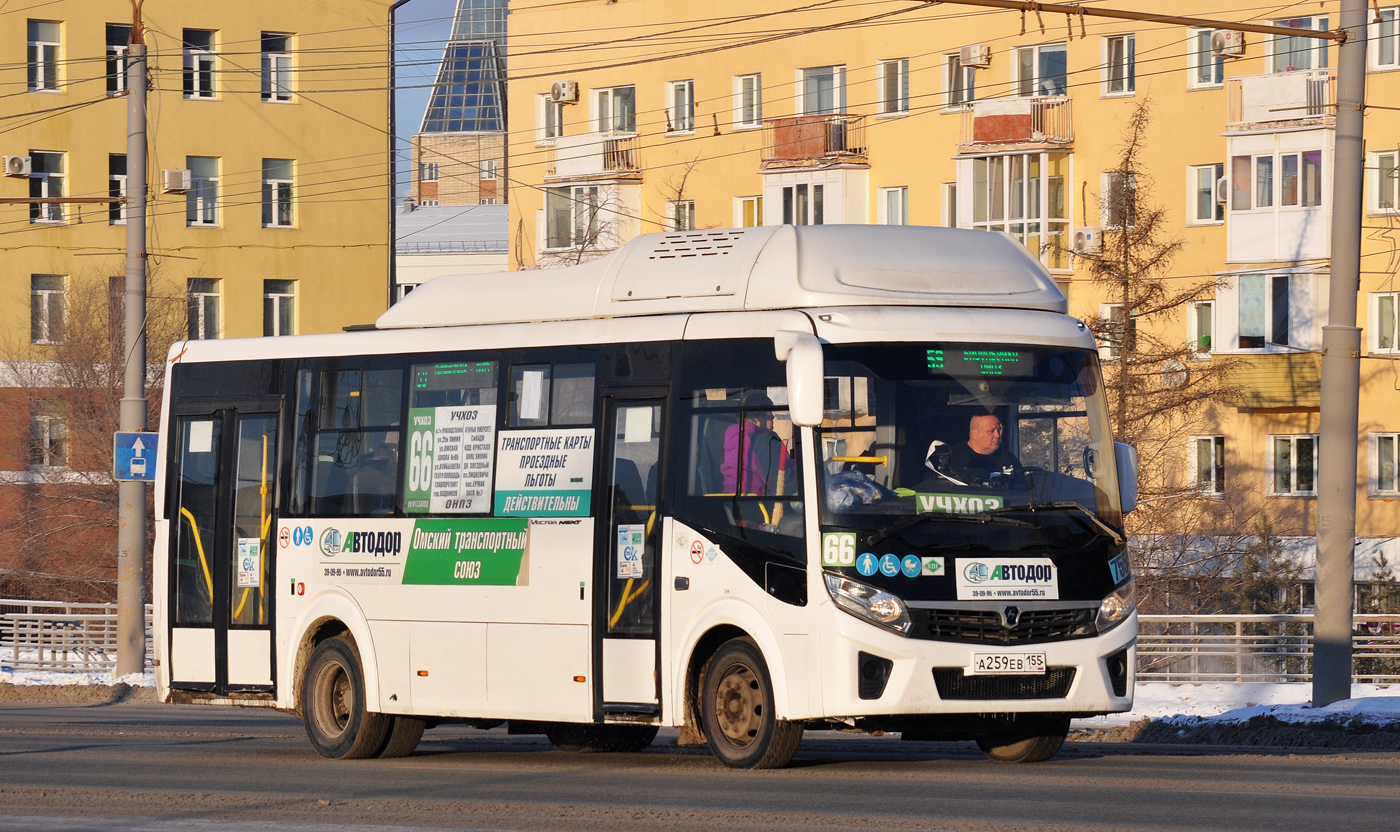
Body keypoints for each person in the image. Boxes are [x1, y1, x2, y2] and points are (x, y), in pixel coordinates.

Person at [924, 412, 1020, 487]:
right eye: (991, 431)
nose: (998, 435)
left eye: (999, 430)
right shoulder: (950, 459)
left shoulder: (1009, 458)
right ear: (974, 434)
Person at [721, 392, 788, 495]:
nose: (773, 418)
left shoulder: (734, 437)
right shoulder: (761, 440)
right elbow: (777, 481)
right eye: (769, 415)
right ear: (756, 418)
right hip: (756, 502)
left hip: (730, 499)